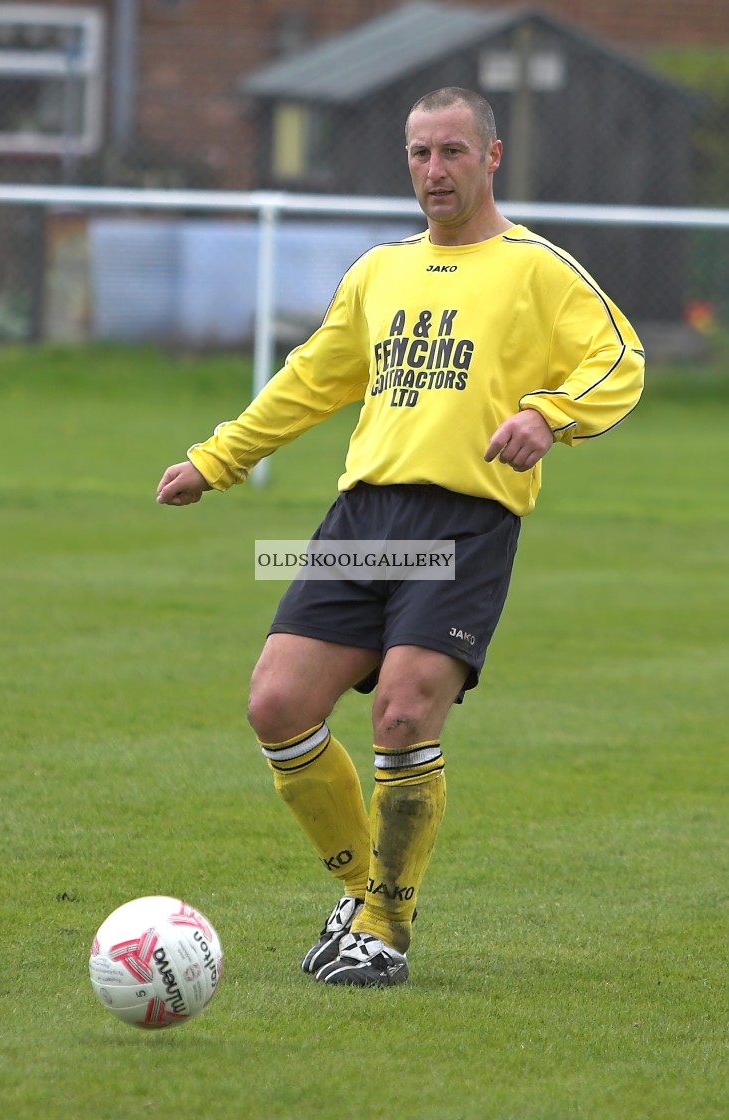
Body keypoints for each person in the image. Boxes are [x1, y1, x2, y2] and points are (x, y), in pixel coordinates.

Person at [156, 87, 645, 987]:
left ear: (490, 158)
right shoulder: (380, 269)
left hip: (464, 519)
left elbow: (619, 357)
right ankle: (362, 890)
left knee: (403, 713)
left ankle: (384, 926)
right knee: (277, 705)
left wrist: (550, 416)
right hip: (366, 517)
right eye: (419, 153)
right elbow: (310, 377)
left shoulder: (538, 268)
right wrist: (217, 460)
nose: (434, 171)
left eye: (452, 152)